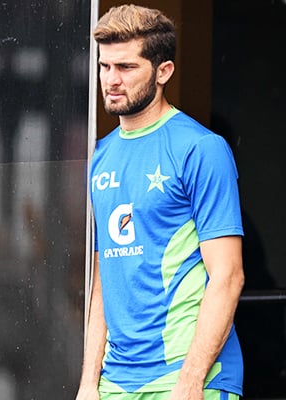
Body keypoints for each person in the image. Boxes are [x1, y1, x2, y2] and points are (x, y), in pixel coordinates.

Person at [77, 4, 245, 400]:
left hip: (186, 378)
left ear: (163, 71)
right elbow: (105, 281)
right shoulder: (100, 155)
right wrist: (89, 382)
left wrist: (191, 381)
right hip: (115, 382)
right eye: (105, 67)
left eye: (127, 68)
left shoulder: (201, 149)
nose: (111, 80)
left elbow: (229, 276)